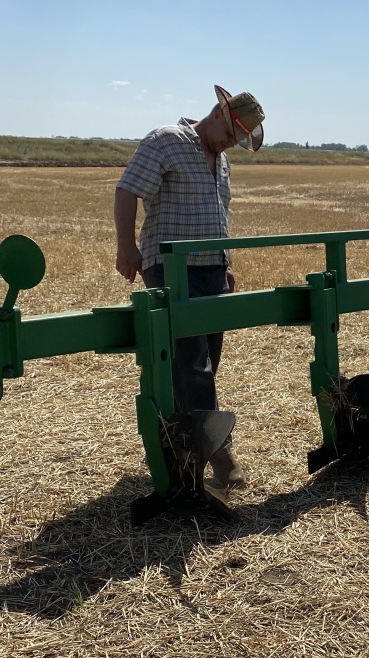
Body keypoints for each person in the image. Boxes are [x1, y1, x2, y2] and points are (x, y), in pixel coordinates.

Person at [114, 85, 265, 491]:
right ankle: (219, 454)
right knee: (192, 361)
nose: (230, 144)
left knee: (206, 360)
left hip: (211, 270)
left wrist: (225, 261)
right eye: (231, 134)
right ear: (218, 113)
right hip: (171, 269)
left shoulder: (222, 161)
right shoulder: (166, 140)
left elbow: (221, 213)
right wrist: (126, 245)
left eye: (237, 141)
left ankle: (185, 443)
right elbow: (128, 189)